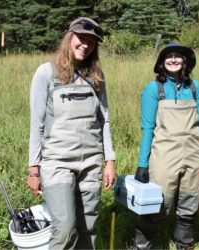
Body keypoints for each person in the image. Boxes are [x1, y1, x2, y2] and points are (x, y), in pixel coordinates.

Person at [26, 17, 116, 249]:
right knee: (65, 229)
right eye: (81, 38)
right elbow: (36, 124)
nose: (85, 45)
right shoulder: (46, 73)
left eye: (91, 42)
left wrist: (110, 161)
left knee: (89, 227)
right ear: (69, 38)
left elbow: (104, 119)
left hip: (91, 162)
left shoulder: (97, 77)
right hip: (57, 163)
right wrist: (34, 169)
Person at [134, 43, 199, 249]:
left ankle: (184, 244)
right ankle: (142, 245)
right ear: (161, 62)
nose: (173, 60)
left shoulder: (196, 88)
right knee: (157, 206)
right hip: (164, 157)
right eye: (169, 56)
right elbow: (148, 128)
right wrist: (142, 164)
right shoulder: (154, 89)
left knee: (189, 206)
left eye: (178, 56)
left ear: (185, 61)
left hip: (194, 155)